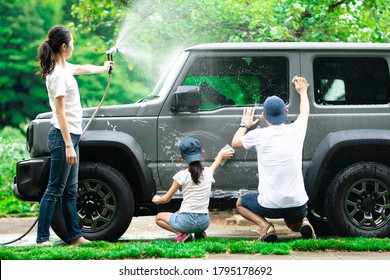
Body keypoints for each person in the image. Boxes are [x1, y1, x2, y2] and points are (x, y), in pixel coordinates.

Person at [35, 25, 114, 246]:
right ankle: (42, 239)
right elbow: (59, 113)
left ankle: (75, 237)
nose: (73, 46)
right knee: (54, 190)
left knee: (70, 190)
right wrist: (69, 145)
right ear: (64, 46)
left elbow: (83, 69)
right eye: (72, 42)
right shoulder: (58, 75)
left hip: (71, 137)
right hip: (63, 138)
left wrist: (103, 67)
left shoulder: (63, 67)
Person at [231, 76, 316, 242]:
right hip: (298, 205)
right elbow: (304, 112)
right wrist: (303, 92)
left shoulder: (258, 135)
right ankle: (304, 222)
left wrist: (245, 124)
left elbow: (235, 142)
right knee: (293, 224)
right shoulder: (296, 130)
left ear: (264, 116)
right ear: (285, 113)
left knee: (240, 203)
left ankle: (266, 227)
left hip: (269, 206)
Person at [152, 137, 234, 242]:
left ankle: (181, 234)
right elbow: (216, 163)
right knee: (180, 212)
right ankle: (199, 232)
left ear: (181, 158)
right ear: (202, 153)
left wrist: (156, 199)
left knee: (159, 217)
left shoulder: (181, 175)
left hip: (186, 222)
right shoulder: (208, 173)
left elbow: (166, 199)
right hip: (204, 222)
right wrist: (221, 155)